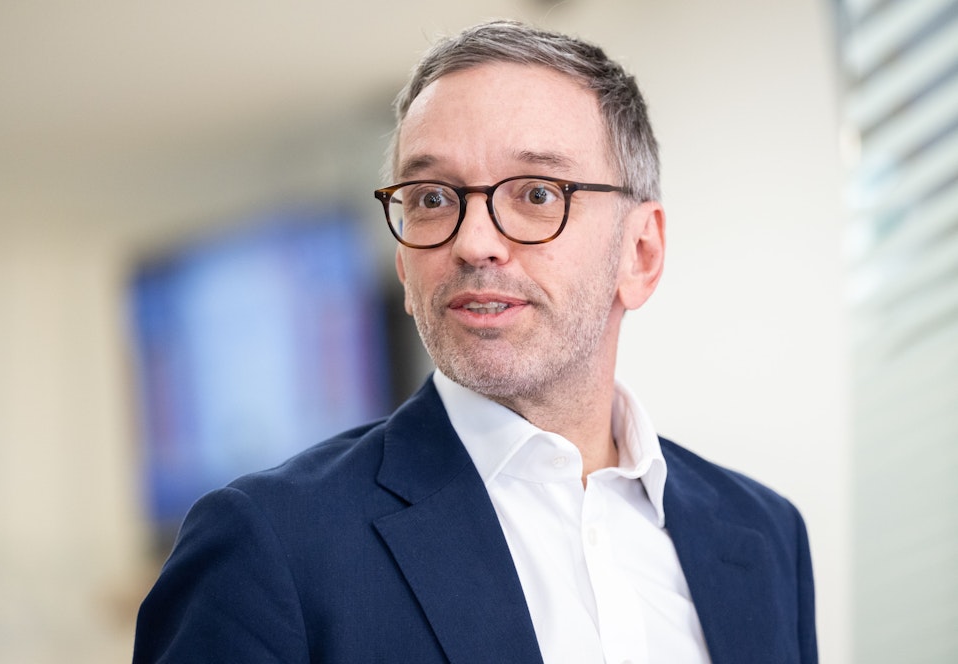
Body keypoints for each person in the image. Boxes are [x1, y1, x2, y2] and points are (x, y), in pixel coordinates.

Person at [133, 20, 817, 664]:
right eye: (432, 199)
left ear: (640, 252)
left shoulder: (765, 536)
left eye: (537, 193)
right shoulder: (266, 545)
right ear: (405, 267)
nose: (474, 242)